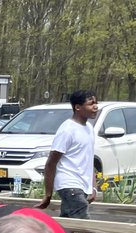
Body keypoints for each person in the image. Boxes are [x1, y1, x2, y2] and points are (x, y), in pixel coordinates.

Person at [38, 90, 99, 219]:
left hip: (81, 185)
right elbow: (51, 163)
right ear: (77, 107)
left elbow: (89, 159)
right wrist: (48, 194)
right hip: (69, 184)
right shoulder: (67, 130)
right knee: (84, 225)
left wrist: (93, 187)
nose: (96, 106)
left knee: (67, 223)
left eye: (96, 103)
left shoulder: (89, 128)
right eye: (91, 103)